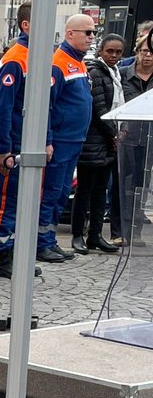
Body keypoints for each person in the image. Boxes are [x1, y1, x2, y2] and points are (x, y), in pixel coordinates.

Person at [30, 14, 94, 264]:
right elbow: (46, 105)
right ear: (70, 34)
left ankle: (50, 239)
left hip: (74, 140)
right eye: (86, 32)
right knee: (51, 192)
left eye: (92, 32)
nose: (91, 37)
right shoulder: (58, 63)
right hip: (60, 141)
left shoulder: (79, 63)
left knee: (60, 193)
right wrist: (47, 139)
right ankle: (41, 242)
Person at [0, 1, 40, 279]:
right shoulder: (15, 58)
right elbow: (4, 107)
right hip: (16, 144)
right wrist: (5, 146)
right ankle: (3, 256)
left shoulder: (37, 55)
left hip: (31, 141)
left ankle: (18, 253)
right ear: (26, 25)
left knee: (25, 204)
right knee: (8, 202)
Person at [73, 33, 125, 254]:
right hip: (94, 140)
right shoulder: (96, 71)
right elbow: (98, 108)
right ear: (101, 51)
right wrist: (113, 134)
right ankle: (78, 235)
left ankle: (95, 234)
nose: (113, 55)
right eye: (109, 51)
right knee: (85, 190)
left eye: (118, 52)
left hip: (108, 142)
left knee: (100, 190)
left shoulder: (114, 73)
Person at [118, 37, 153, 245]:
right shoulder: (123, 75)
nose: (147, 55)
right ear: (136, 52)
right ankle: (121, 231)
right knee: (124, 186)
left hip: (149, 141)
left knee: (142, 187)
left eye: (151, 52)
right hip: (127, 139)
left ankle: (136, 232)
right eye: (143, 51)